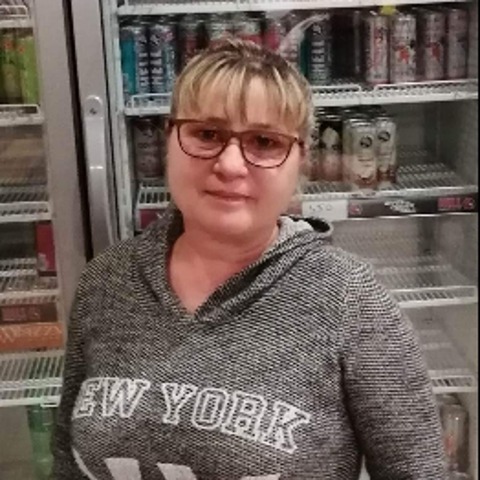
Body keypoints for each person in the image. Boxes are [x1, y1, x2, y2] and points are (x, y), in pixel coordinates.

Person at [53, 39, 447, 480]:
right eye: (207, 134)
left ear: (300, 160)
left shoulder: (349, 300)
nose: (230, 164)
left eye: (264, 141)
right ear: (170, 139)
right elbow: (68, 462)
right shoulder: (106, 281)